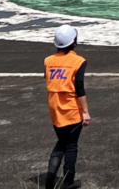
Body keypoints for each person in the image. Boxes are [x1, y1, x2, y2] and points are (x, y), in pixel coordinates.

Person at [44, 24, 91, 189]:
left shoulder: (48, 61)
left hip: (55, 112)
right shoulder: (78, 62)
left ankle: (50, 178)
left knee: (62, 143)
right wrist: (85, 112)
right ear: (74, 42)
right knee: (71, 146)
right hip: (71, 112)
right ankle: (68, 182)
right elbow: (79, 87)